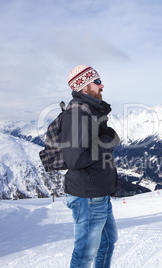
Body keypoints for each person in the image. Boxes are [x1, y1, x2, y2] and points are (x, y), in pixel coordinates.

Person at [61, 65, 120, 268]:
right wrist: (107, 141)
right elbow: (75, 159)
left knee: (107, 243)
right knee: (85, 255)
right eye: (96, 82)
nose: (102, 85)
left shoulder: (91, 111)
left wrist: (105, 139)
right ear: (83, 85)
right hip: (87, 197)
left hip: (98, 194)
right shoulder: (76, 114)